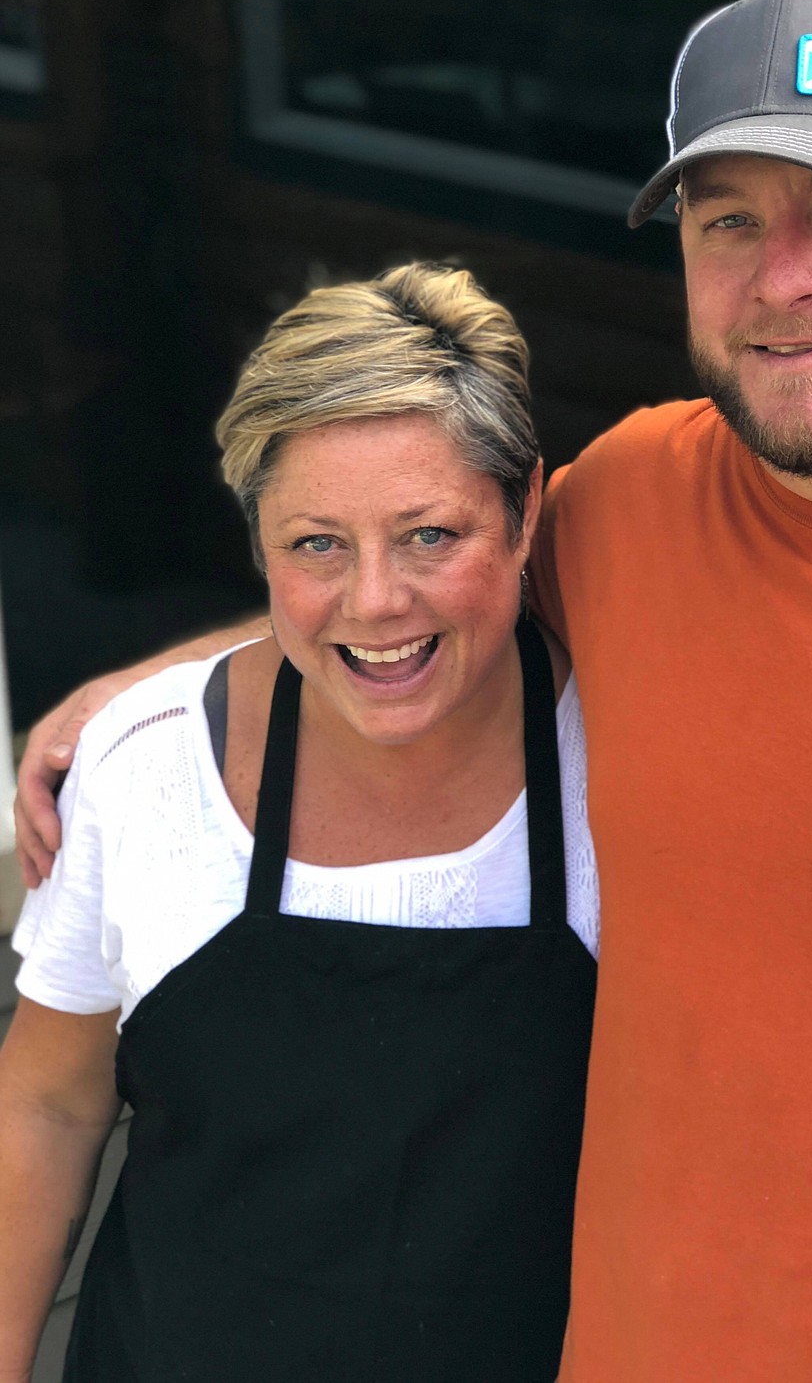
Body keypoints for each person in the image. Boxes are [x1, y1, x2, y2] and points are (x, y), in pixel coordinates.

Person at [13, 0, 812, 1378]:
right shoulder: (633, 500)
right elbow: (414, 592)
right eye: (726, 217)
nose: (783, 273)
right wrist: (138, 697)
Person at [0, 262, 598, 1382]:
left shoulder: (624, 772)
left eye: (430, 534)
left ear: (527, 511)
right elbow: (45, 1100)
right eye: (316, 542)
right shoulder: (148, 764)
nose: (375, 600)